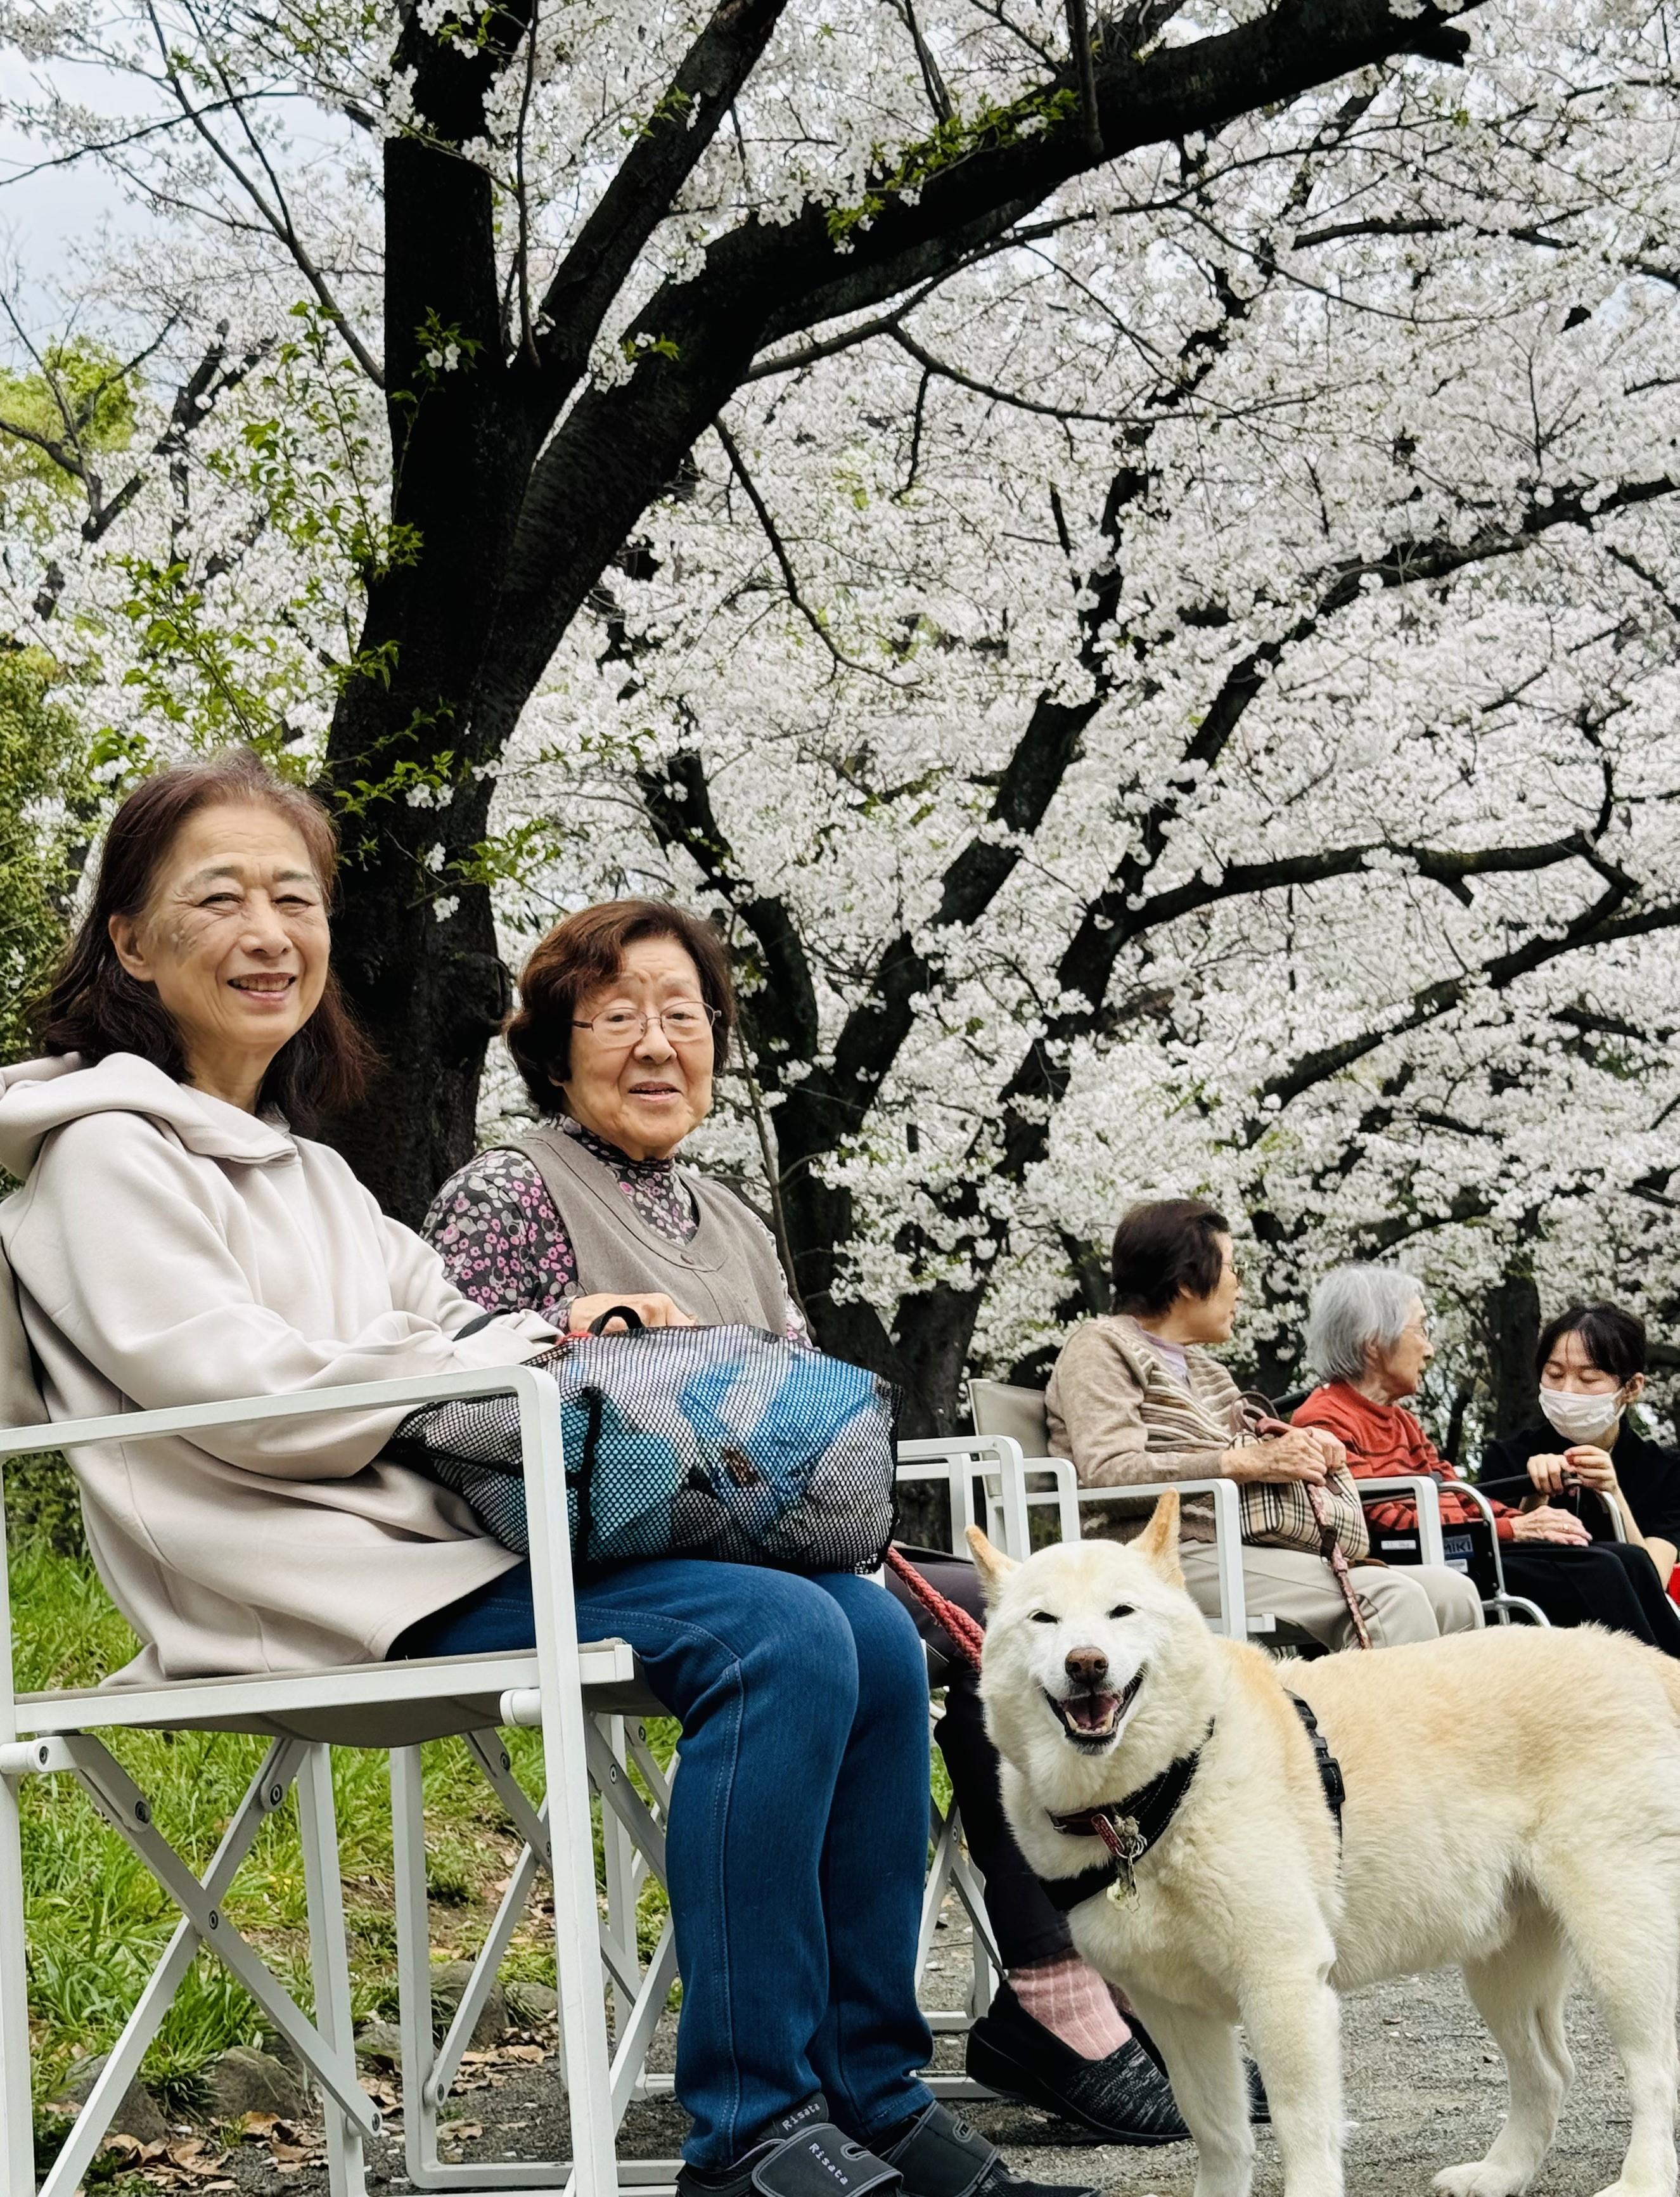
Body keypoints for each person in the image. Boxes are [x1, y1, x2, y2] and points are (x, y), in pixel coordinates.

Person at [0, 756, 1082, 2197]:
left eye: (294, 897)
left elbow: (431, 1320)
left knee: (873, 1633)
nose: (268, 931)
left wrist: (561, 1333)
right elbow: (238, 1400)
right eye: (220, 897)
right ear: (128, 940)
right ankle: (753, 2132)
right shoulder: (100, 1163)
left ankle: (867, 2092)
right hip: (296, 1581)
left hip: (420, 1544)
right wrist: (484, 1364)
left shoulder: (306, 1172)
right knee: (770, 1639)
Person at [423, 899, 1184, 2148]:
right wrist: (577, 1349)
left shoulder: (727, 1216)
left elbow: (802, 1425)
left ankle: (881, 2079)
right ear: (553, 1049)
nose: (658, 1043)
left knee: (911, 1632)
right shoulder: (510, 1192)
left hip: (747, 1550)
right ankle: (780, 2096)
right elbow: (452, 1406)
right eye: (616, 1018)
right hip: (567, 1563)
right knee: (815, 1630)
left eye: (685, 1016)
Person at [1047, 1200, 1482, 1649]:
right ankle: (1375, 1720)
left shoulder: (1208, 1372)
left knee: (1451, 1593)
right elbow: (1107, 1473)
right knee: (1390, 1599)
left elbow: (1254, 1454)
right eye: (1233, 1269)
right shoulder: (1100, 1347)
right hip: (1154, 1553)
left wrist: (1304, 1442)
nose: (1239, 1288)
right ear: (1185, 1280)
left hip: (1244, 1545)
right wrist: (1241, 1463)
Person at [1293, 1272, 1680, 1659]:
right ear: (1374, 1343)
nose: (1429, 1349)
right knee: (1598, 1569)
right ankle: (1659, 1688)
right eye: (1422, 1331)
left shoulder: (1400, 1420)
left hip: (1457, 1548)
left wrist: (1522, 1520)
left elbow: (1460, 1495)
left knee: (1624, 1558)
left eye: (1588, 1378)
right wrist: (1515, 1525)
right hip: (1425, 1558)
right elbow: (1376, 1516)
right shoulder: (1328, 1420)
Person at [1478, 1301, 1680, 1646]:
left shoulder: (1666, 1471)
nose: (1567, 1391)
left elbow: (1653, 1578)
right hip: (1535, 1634)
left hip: (1627, 1634)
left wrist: (1613, 1493)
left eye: (1588, 1379)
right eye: (1555, 1375)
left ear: (1631, 1388)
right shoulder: (1507, 1458)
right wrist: (1535, 1496)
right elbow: (1498, 1566)